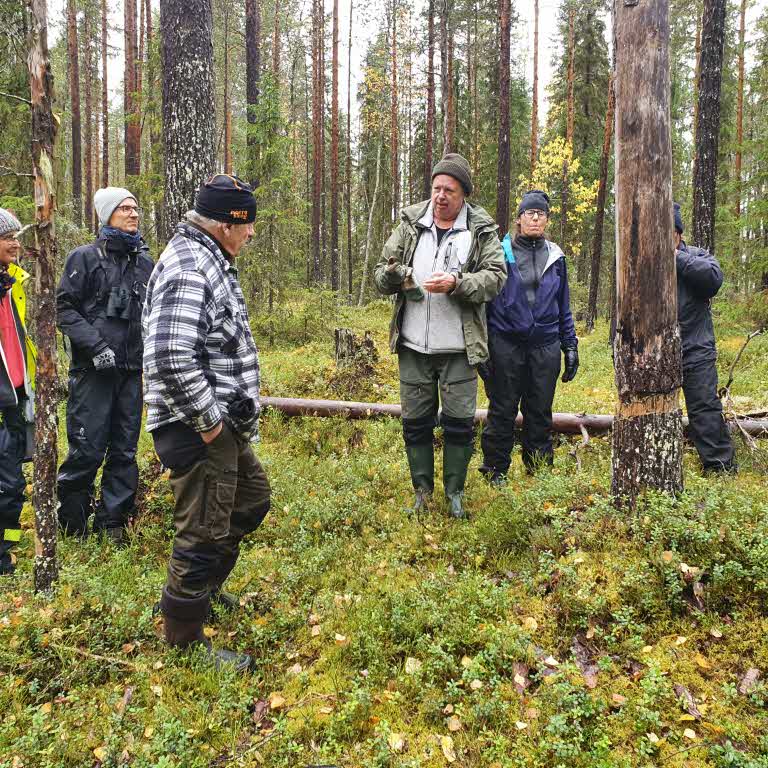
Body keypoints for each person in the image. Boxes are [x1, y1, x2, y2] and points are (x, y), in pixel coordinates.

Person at [143, 174, 270, 669]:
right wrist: (210, 424)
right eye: (247, 224)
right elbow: (171, 355)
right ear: (225, 224)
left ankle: (200, 592)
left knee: (251, 497)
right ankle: (185, 640)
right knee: (202, 530)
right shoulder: (190, 264)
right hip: (195, 426)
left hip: (216, 422)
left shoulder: (211, 259)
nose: (252, 233)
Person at [374, 153, 506, 519]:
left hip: (460, 348)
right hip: (414, 345)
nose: (441, 196)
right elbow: (379, 273)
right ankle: (421, 491)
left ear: (464, 194)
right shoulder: (410, 224)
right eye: (436, 188)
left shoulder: (480, 230)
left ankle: (455, 494)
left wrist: (458, 283)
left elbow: (496, 277)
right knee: (415, 421)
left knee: (460, 422)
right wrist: (400, 275)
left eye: (449, 189)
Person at [56, 188, 153, 544]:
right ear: (107, 214)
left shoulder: (145, 262)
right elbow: (64, 309)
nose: (134, 214)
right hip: (92, 374)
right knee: (87, 448)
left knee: (125, 449)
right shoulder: (84, 258)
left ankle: (112, 524)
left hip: (130, 372)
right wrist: (96, 347)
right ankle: (72, 525)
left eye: (136, 208)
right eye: (125, 208)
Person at [479, 190, 578, 483]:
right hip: (505, 344)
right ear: (519, 218)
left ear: (547, 219)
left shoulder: (556, 257)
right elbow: (484, 303)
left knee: (539, 411)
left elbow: (564, 305)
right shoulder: (500, 252)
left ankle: (539, 471)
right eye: (529, 213)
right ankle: (495, 470)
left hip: (545, 347)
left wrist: (570, 345)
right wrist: (482, 349)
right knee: (502, 409)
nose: (535, 218)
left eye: (541, 213)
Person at [674, 203, 735, 473]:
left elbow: (713, 281)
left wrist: (675, 258)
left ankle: (719, 467)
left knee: (704, 409)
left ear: (679, 233)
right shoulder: (643, 260)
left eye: (669, 230)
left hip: (695, 348)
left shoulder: (697, 256)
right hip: (653, 352)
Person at [0, 209, 35, 575]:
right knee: (6, 482)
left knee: (13, 484)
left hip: (15, 395)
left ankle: (7, 549)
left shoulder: (14, 284)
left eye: (17, 236)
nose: (16, 243)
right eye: (7, 237)